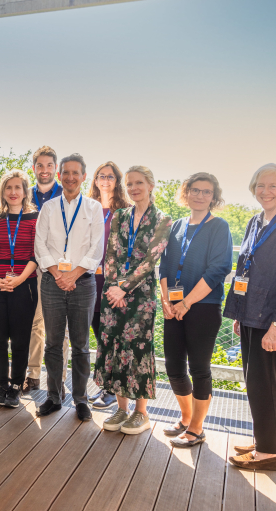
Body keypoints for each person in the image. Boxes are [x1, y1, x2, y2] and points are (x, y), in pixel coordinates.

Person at [225, 163, 276, 471]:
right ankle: (270, 441)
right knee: (256, 381)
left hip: (273, 320)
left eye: (273, 186)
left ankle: (268, 455)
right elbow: (244, 269)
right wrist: (238, 313)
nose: (265, 191)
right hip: (251, 315)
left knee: (263, 383)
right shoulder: (255, 221)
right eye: (261, 185)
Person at [95, 166, 171, 435]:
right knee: (115, 348)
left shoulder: (163, 219)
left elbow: (150, 261)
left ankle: (141, 412)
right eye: (129, 184)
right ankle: (121, 408)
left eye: (139, 182)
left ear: (151, 185)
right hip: (114, 294)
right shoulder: (120, 215)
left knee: (137, 351)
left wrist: (124, 289)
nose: (134, 188)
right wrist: (114, 288)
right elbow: (111, 253)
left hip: (141, 297)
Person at [159, 172, 232, 447]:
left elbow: (218, 269)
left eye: (206, 192)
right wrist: (167, 302)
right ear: (186, 193)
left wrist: (187, 302)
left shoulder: (219, 227)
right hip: (173, 307)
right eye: (195, 190)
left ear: (214, 197)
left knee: (199, 368)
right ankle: (186, 418)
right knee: (174, 366)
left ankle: (198, 429)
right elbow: (165, 266)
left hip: (203, 307)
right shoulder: (175, 226)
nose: (200, 195)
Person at [34, 154, 105, 422]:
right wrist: (57, 273)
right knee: (52, 343)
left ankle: (81, 399)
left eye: (76, 173)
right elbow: (40, 245)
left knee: (81, 345)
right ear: (60, 175)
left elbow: (96, 248)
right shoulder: (49, 207)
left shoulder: (93, 208)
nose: (70, 177)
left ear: (84, 177)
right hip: (52, 282)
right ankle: (53, 396)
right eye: (66, 173)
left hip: (82, 283)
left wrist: (73, 275)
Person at [0, 169, 39, 408]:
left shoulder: (36, 218)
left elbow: (37, 254)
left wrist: (18, 279)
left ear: (25, 191)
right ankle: (2, 385)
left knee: (20, 340)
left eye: (18, 187)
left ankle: (16, 386)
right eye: (9, 188)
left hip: (24, 284)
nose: (13, 192)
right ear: (3, 191)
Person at [87, 162, 131, 409]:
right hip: (89, 281)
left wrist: (122, 283)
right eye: (101, 176)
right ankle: (106, 387)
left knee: (114, 336)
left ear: (117, 181)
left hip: (114, 284)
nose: (105, 180)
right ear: (95, 180)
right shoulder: (88, 208)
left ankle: (115, 391)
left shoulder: (125, 211)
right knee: (100, 336)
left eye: (110, 176)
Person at [24, 146, 67, 394]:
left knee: (59, 328)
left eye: (49, 165)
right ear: (34, 168)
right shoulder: (24, 195)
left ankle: (57, 378)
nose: (44, 170)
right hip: (32, 268)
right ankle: (33, 374)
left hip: (59, 268)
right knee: (34, 324)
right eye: (40, 165)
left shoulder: (66, 195)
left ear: (55, 169)